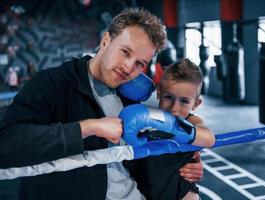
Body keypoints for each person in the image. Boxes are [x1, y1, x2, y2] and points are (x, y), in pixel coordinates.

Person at [0, 8, 203, 200]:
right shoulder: (54, 84)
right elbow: (7, 144)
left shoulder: (131, 97)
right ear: (106, 40)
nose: (128, 67)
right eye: (125, 52)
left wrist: (186, 164)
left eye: (140, 63)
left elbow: (148, 154)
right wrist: (88, 128)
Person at [127, 58, 215, 200]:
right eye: (168, 97)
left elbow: (209, 138)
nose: (174, 108)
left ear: (196, 104)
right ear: (159, 92)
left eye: (184, 101)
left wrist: (174, 127)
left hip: (181, 194)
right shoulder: (147, 118)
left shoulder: (191, 121)